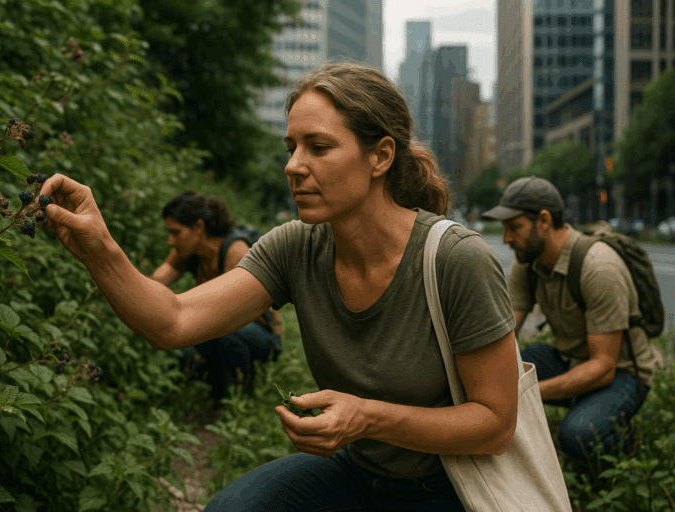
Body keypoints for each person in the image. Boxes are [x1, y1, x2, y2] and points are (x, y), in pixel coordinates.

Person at [40, 60, 520, 511]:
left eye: (319, 147)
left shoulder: (457, 259)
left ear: (381, 156)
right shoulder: (296, 247)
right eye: (290, 148)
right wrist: (100, 249)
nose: (293, 166)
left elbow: (495, 426)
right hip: (358, 470)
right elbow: (173, 320)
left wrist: (366, 417)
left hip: (452, 487)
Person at [482, 176, 665, 461]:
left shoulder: (598, 267)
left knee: (577, 435)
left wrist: (526, 394)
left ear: (544, 221)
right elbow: (506, 333)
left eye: (514, 228)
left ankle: (623, 442)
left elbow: (603, 367)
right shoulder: (527, 263)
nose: (506, 239)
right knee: (513, 368)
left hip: (623, 373)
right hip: (571, 359)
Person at [150, 190, 283, 403]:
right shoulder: (188, 251)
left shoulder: (236, 252)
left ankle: (232, 400)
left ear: (199, 227)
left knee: (218, 332)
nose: (169, 241)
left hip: (259, 335)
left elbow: (229, 315)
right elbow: (156, 282)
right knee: (179, 351)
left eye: (175, 232)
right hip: (221, 329)